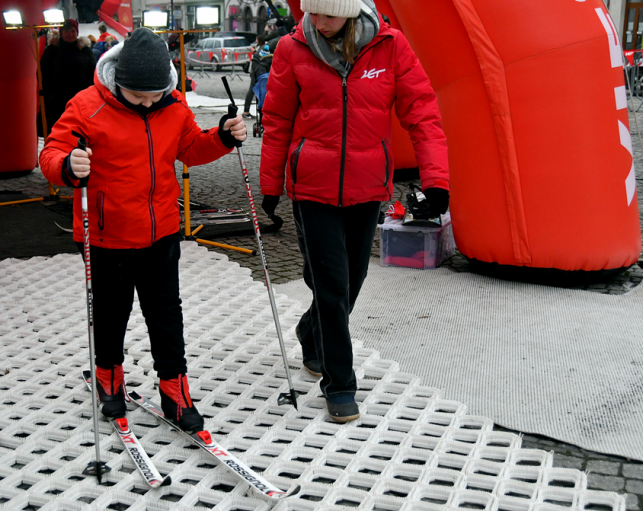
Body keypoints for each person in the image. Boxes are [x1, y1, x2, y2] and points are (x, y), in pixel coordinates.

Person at [39, 28, 246, 432]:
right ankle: (108, 378)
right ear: (120, 82)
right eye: (139, 96)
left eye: (156, 94)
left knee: (166, 314)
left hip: (161, 231)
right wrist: (67, 167)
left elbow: (190, 148)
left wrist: (221, 137)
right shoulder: (87, 106)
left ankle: (174, 389)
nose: (149, 102)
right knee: (112, 312)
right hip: (107, 234)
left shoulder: (173, 102)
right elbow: (52, 151)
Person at [259, 0, 450, 422]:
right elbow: (276, 120)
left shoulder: (390, 46)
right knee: (331, 284)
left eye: (329, 15)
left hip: (367, 185)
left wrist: (436, 179)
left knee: (353, 280)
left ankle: (311, 333)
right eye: (314, 13)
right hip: (312, 186)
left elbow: (423, 112)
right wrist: (271, 185)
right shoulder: (292, 48)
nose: (319, 23)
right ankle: (340, 384)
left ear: (349, 10)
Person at [40, 19, 96, 134]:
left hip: (80, 101)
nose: (70, 34)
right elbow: (42, 73)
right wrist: (50, 93)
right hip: (56, 102)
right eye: (66, 31)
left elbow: (93, 73)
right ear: (61, 33)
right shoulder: (52, 51)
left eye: (73, 31)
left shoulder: (85, 51)